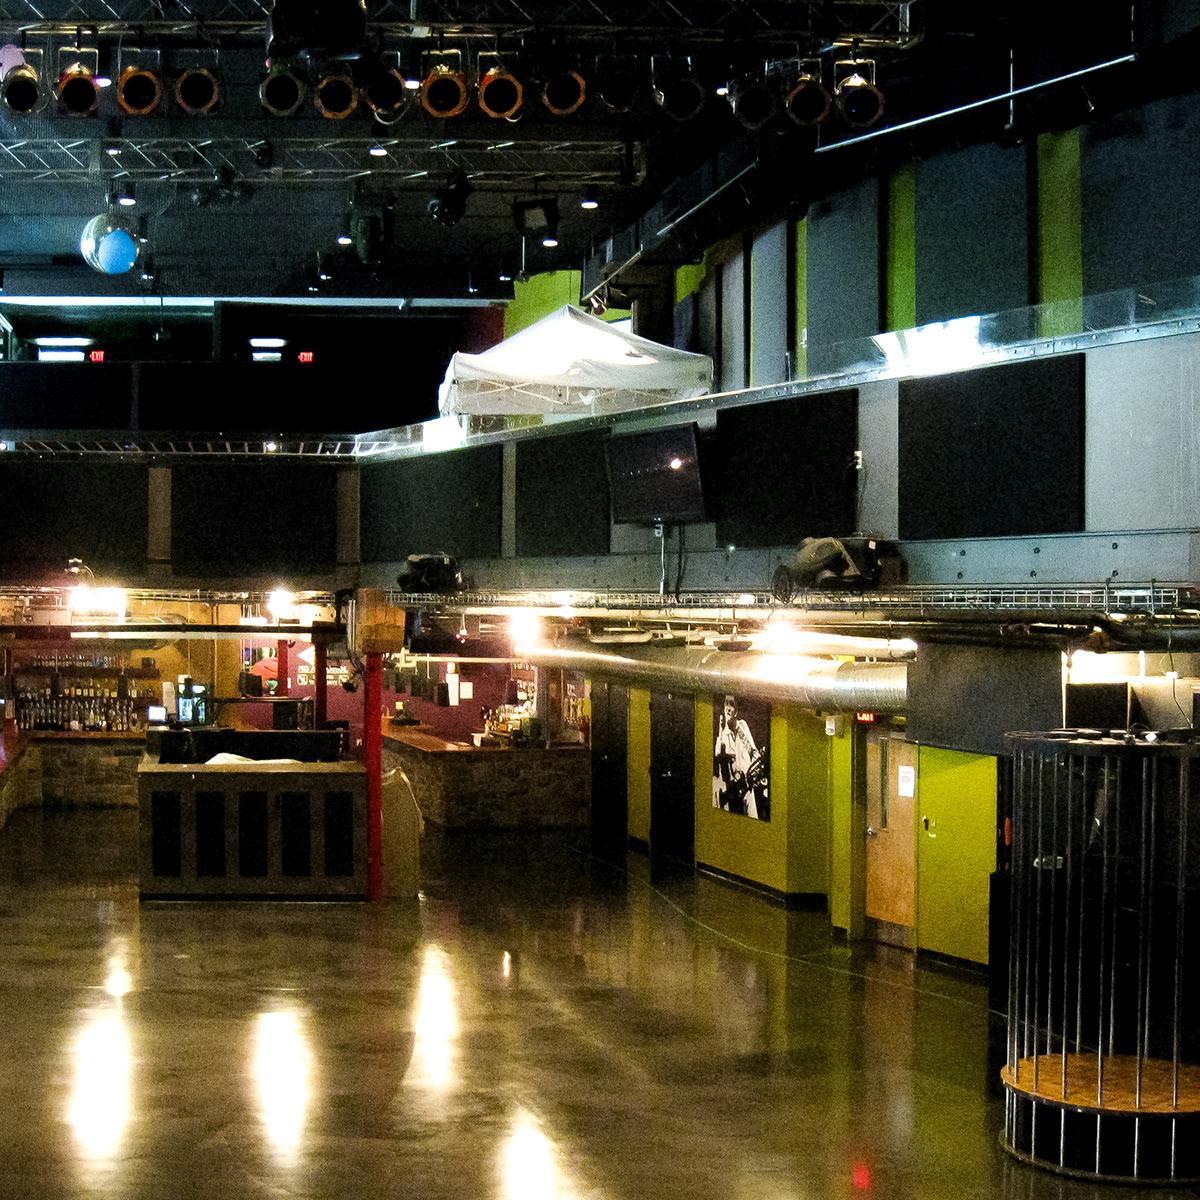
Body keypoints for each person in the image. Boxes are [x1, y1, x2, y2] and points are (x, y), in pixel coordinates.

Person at [713, 694, 768, 819]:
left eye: (731, 705)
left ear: (736, 711)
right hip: (732, 791)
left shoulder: (742, 726)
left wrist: (755, 771)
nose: (728, 709)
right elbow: (717, 757)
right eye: (726, 705)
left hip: (747, 786)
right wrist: (721, 731)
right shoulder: (723, 734)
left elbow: (753, 751)